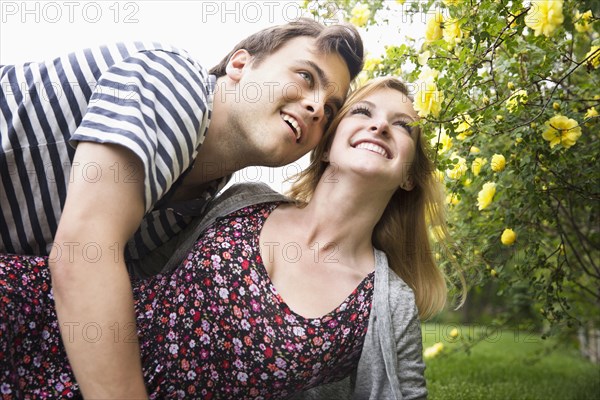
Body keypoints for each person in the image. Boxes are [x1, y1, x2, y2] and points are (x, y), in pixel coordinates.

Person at [0, 76, 454, 399]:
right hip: (47, 325)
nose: (380, 126)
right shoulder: (244, 199)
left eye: (402, 124)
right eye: (362, 112)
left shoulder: (386, 302)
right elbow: (127, 257)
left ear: (410, 176)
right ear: (328, 145)